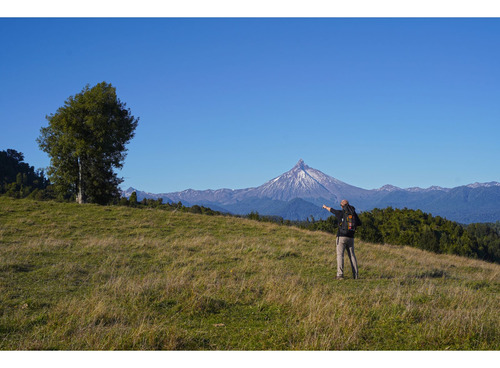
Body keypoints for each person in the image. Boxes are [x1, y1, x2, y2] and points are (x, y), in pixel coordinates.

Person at [322, 199, 361, 280]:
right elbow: (360, 223)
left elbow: (332, 210)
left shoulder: (340, 213)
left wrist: (325, 207)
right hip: (351, 237)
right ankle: (356, 275)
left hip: (341, 237)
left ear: (342, 206)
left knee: (340, 255)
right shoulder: (353, 214)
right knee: (352, 256)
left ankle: (340, 275)